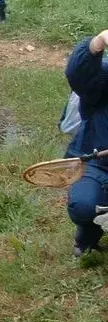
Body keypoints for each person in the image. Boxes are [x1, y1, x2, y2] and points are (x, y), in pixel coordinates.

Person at [64, 29, 108, 257]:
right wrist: (97, 43)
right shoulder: (105, 75)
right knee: (84, 206)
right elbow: (78, 75)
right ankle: (88, 236)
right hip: (97, 162)